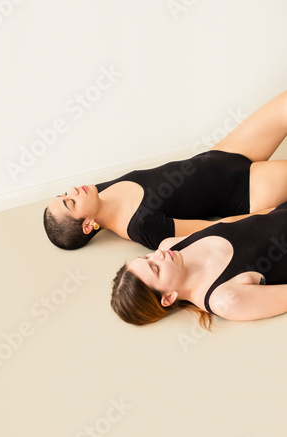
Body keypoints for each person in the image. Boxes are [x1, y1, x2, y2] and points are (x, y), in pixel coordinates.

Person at [44, 90, 287, 250]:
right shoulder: (142, 227)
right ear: (88, 225)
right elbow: (210, 230)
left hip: (223, 153)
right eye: (70, 203)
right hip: (247, 189)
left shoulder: (98, 193)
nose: (73, 191)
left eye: (64, 194)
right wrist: (270, 214)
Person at [110, 202, 287, 329]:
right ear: (169, 297)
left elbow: (234, 222)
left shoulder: (169, 245)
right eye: (155, 268)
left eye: (147, 257)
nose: (158, 254)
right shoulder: (225, 298)